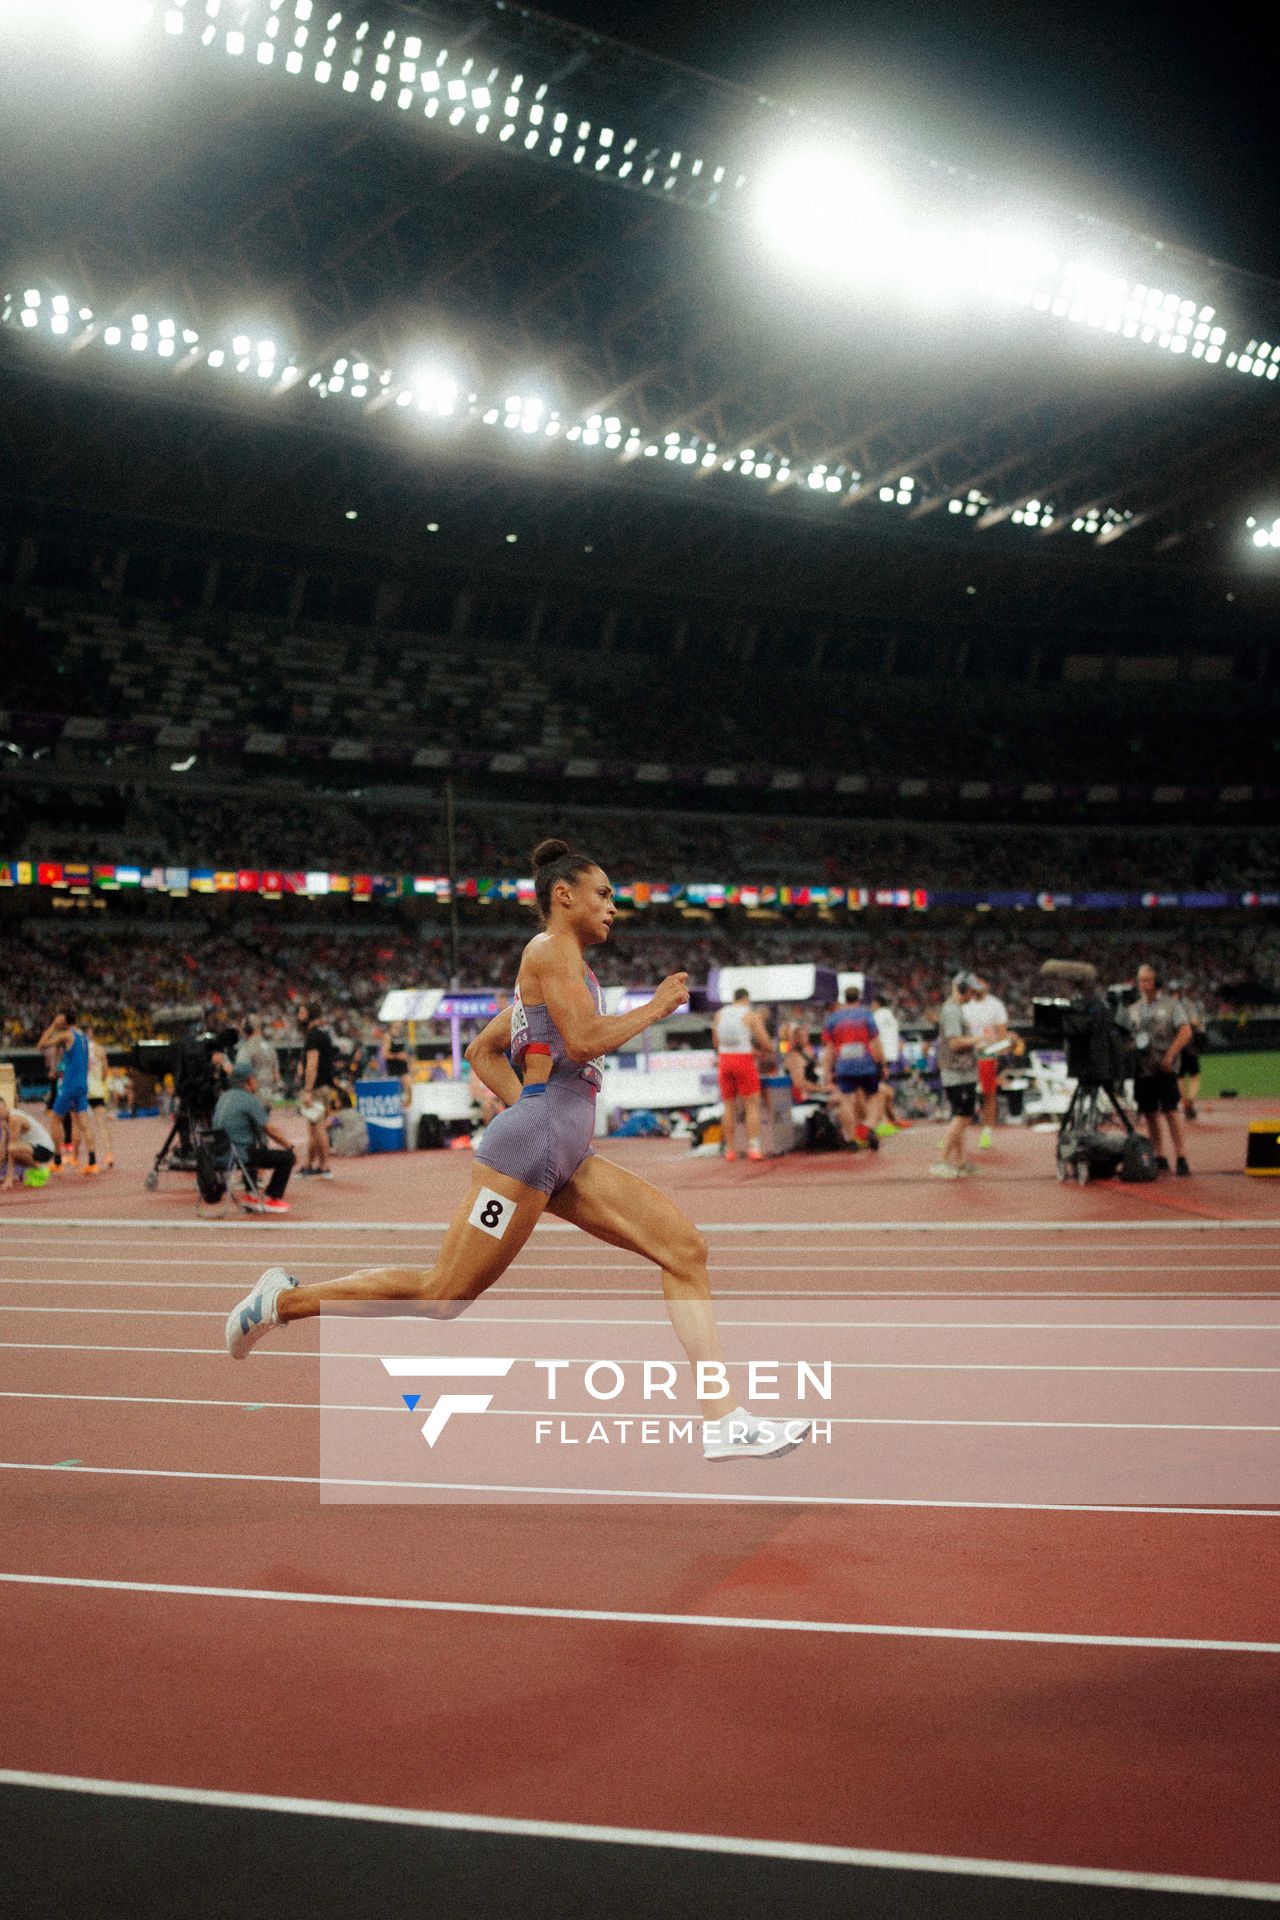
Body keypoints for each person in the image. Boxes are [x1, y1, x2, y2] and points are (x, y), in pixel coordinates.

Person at [226, 838, 809, 1461]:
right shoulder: (549, 948)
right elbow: (582, 1042)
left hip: (563, 1153)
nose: (614, 906)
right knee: (443, 1295)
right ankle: (280, 1303)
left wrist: (531, 1103)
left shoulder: (566, 969)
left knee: (685, 1250)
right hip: (530, 1152)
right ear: (565, 896)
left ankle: (723, 1418)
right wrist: (653, 1010)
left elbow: (483, 1050)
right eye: (604, 894)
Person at [1125, 965, 1193, 1176]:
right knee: (1149, 1113)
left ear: (1156, 982)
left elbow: (1185, 1032)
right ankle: (1159, 1155)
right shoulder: (1133, 1009)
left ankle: (1181, 1156)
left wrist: (1171, 1054)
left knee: (1171, 1111)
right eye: (1140, 980)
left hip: (1164, 1067)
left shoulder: (1172, 1006)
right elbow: (1127, 1037)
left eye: (1147, 980)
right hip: (1143, 1069)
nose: (1143, 985)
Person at [212, 1062, 297, 1214]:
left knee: (252, 1146)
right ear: (249, 1080)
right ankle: (273, 1198)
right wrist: (289, 1146)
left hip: (219, 1155)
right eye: (254, 1078)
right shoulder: (248, 1099)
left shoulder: (223, 1098)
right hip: (239, 1155)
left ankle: (251, 1195)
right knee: (286, 1158)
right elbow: (269, 1129)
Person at [820, 985, 885, 1149]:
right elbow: (876, 1043)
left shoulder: (833, 1019)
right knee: (875, 1096)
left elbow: (828, 1050)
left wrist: (826, 1072)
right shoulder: (866, 1014)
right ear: (859, 998)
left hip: (844, 1066)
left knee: (845, 1101)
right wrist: (882, 1064)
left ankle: (851, 1139)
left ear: (844, 998)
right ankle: (869, 1126)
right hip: (866, 1064)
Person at [712, 986, 771, 1161]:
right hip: (743, 1060)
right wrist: (764, 1050)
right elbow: (765, 1042)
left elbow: (715, 1041)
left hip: (725, 1060)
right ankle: (754, 1148)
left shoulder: (720, 1014)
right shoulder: (750, 1014)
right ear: (746, 999)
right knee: (751, 1105)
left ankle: (730, 1150)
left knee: (728, 1106)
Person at [931, 973, 980, 1178]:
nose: (973, 994)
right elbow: (954, 1042)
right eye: (971, 990)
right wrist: (977, 1039)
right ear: (963, 989)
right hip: (957, 1071)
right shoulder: (952, 1011)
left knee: (961, 1116)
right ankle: (941, 1160)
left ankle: (960, 1161)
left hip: (961, 1070)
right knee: (961, 1116)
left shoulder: (954, 1009)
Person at [36, 1011, 95, 1173]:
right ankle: (92, 1162)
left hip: (69, 1085)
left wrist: (53, 1026)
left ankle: (57, 1161)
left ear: (64, 1020)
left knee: (55, 1120)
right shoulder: (83, 1036)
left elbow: (41, 1045)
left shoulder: (67, 1035)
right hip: (83, 1083)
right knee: (83, 1122)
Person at [962, 973, 1010, 1150]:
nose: (978, 986)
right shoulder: (965, 1004)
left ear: (987, 985)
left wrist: (995, 1052)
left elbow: (1002, 1035)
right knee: (963, 1094)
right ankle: (957, 1134)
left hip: (988, 1056)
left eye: (981, 982)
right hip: (967, 1056)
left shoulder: (995, 1005)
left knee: (989, 1094)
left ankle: (986, 1132)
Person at [295, 1001, 336, 1179]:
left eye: (302, 1012)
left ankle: (325, 1165)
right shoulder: (322, 1035)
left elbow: (313, 1064)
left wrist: (308, 1090)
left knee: (317, 1128)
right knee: (313, 1128)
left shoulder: (313, 1036)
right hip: (324, 1085)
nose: (298, 1015)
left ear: (310, 1014)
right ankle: (309, 1165)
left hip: (317, 1087)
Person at [0, 1100, 57, 1191]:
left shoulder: (14, 1118)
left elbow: (12, 1148)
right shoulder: (3, 1122)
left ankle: (40, 1168)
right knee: (8, 1150)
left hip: (45, 1149)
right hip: (30, 1148)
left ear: (6, 1106)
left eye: (0, 1109)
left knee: (12, 1149)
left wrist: (9, 1178)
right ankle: (37, 1168)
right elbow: (2, 1148)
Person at [86, 1023, 115, 1170]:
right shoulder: (100, 1050)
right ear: (90, 1032)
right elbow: (105, 1072)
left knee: (84, 1126)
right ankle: (109, 1153)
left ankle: (90, 1158)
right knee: (102, 1124)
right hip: (97, 1090)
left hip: (82, 1090)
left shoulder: (77, 1048)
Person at [235, 1015, 280, 1107]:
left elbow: (240, 1075)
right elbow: (276, 1076)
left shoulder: (246, 1048)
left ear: (248, 1028)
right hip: (268, 1097)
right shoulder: (270, 1048)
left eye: (243, 1026)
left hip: (252, 1098)